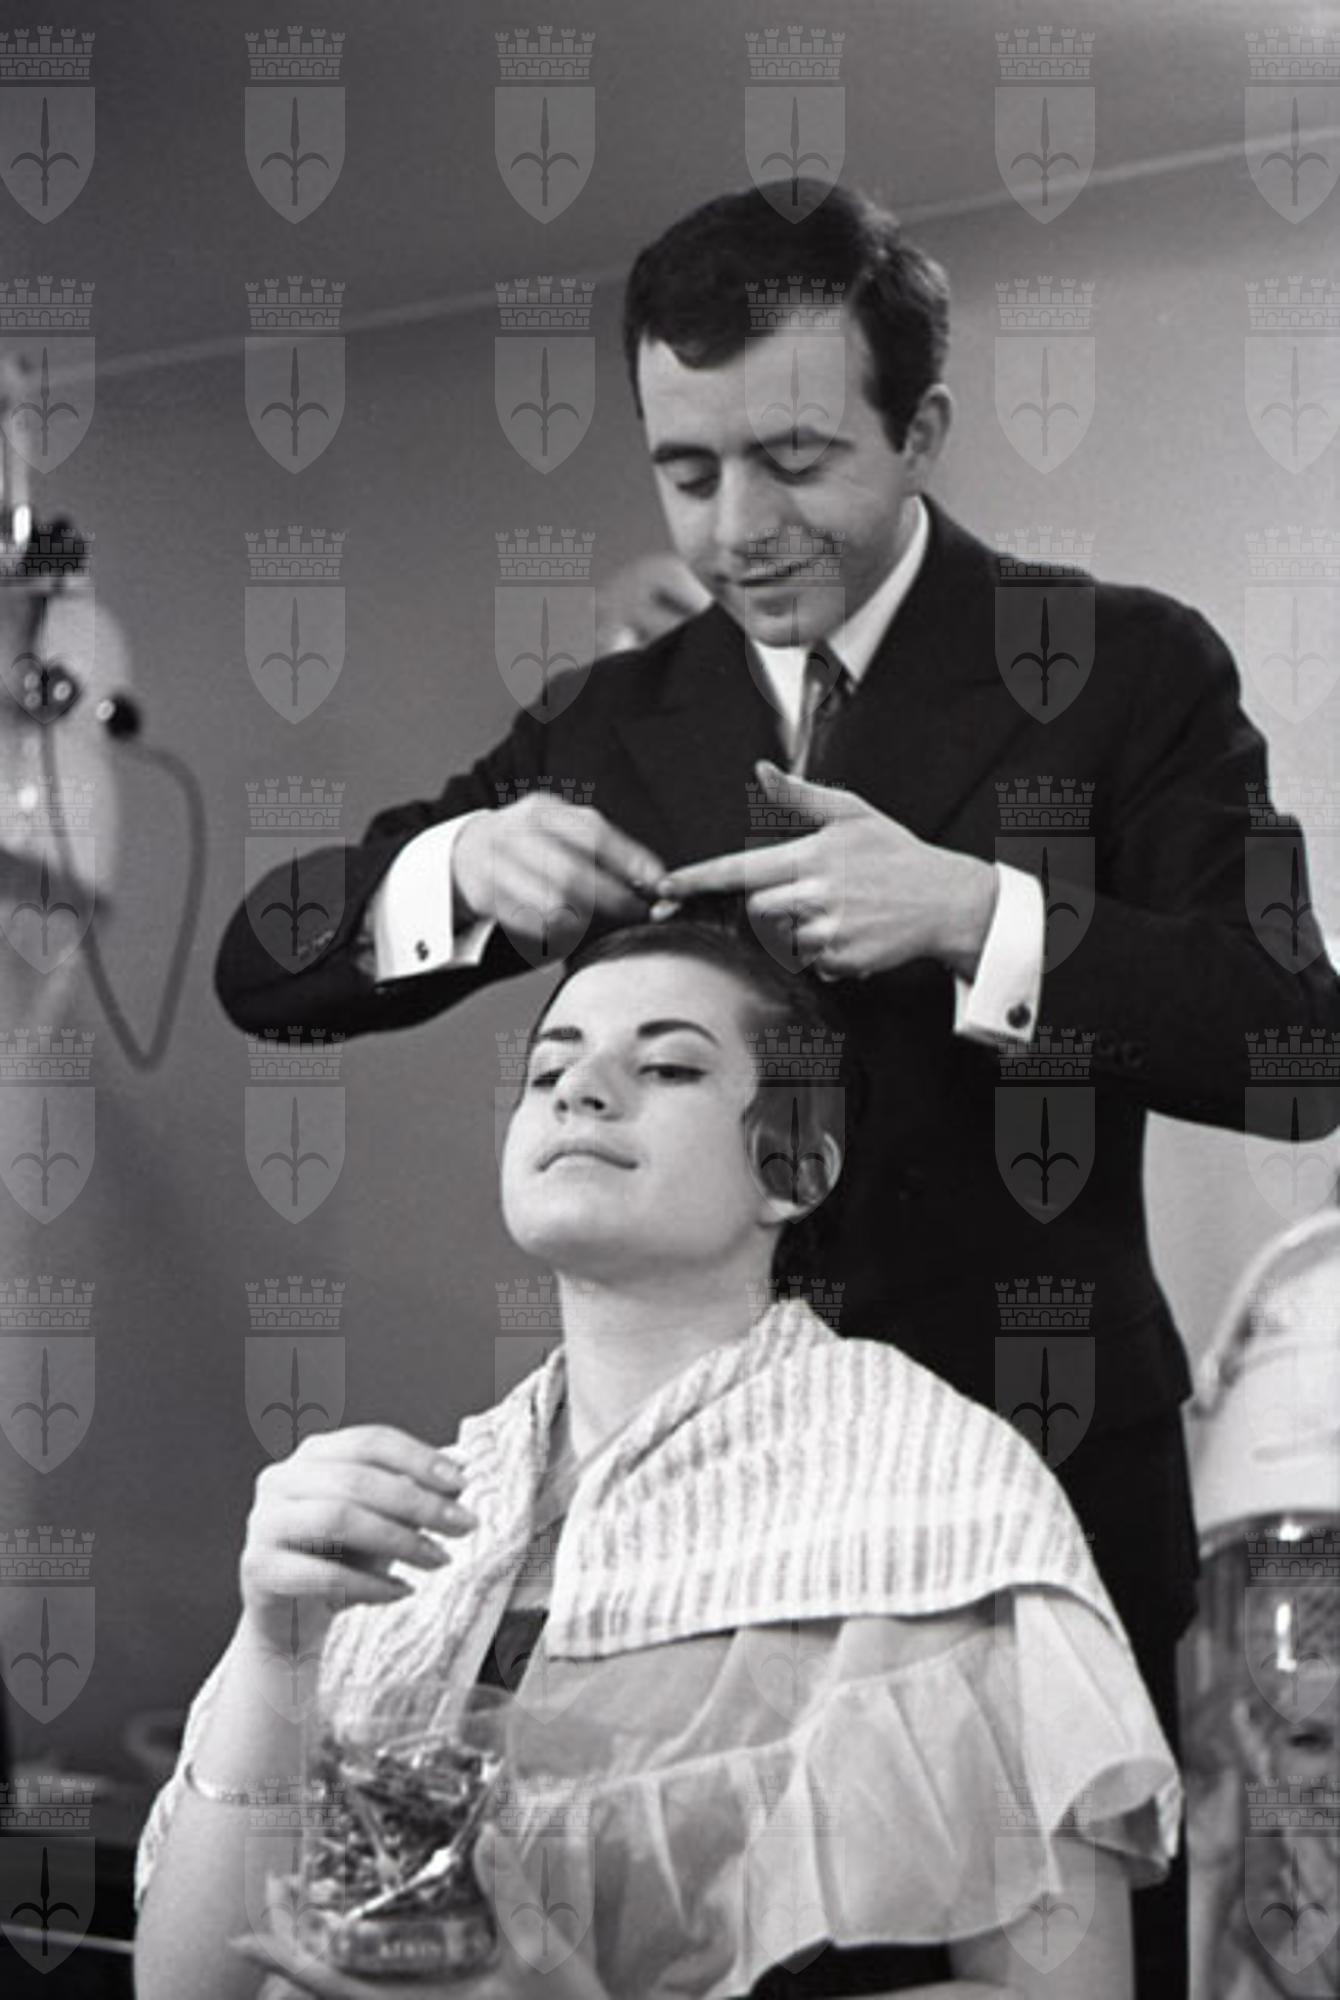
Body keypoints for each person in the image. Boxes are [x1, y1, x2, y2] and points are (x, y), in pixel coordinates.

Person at [214, 181, 1340, 1995]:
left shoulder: (1123, 668)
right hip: (691, 1541)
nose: (740, 527)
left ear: (923, 429)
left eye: (797, 460)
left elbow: (1297, 1049)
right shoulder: (614, 722)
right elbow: (263, 972)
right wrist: (457, 869)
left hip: (1030, 1462)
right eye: (687, 471)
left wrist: (978, 915)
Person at [139, 913, 1181, 1999]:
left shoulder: (940, 1490)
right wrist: (277, 1646)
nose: (579, 1091)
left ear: (796, 1164)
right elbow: (185, 1990)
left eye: (669, 1065)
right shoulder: (425, 1515)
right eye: (549, 1070)